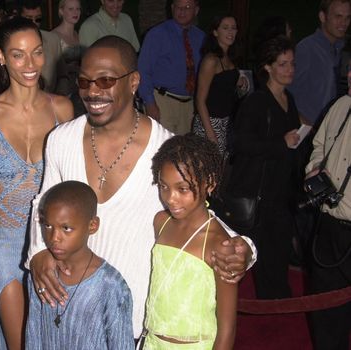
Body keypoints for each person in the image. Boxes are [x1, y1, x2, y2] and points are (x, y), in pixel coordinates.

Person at [27, 35, 256, 339]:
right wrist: (39, 252)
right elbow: (44, 202)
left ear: (133, 81)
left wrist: (244, 249)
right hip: (69, 306)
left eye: (105, 80)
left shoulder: (163, 149)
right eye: (84, 82)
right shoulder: (60, 140)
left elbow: (198, 215)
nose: (93, 91)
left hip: (131, 317)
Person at [0, 16, 73, 350]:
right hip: (1, 240)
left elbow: (70, 188)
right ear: (1, 57)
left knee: (49, 334)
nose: (30, 64)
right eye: (18, 54)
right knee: (16, 341)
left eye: (37, 53)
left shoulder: (63, 109)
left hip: (49, 238)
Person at [143, 134, 237, 349]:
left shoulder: (218, 243)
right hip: (153, 342)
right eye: (163, 186)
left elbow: (227, 326)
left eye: (182, 189)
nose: (170, 198)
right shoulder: (161, 222)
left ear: (210, 183)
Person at [226, 36, 302, 299]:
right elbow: (240, 142)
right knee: (256, 250)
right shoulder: (257, 101)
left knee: (278, 249)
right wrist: (280, 144)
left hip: (280, 189)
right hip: (258, 191)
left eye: (292, 63)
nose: (290, 69)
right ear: (268, 67)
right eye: (283, 64)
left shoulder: (288, 98)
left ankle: (277, 300)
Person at [26, 181, 134, 349]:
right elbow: (33, 337)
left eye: (66, 228)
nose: (54, 237)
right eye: (47, 225)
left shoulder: (110, 285)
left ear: (92, 226)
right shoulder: (42, 276)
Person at [304, 63, 351, 350]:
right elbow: (318, 144)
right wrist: (315, 168)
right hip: (328, 225)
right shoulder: (341, 105)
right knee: (324, 308)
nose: (350, 77)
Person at [138, 0, 204, 135]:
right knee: (163, 149)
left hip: (190, 105)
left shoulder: (201, 37)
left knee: (184, 150)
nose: (182, 11)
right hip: (163, 102)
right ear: (172, 8)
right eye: (178, 7)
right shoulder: (157, 34)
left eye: (187, 7)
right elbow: (143, 70)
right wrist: (149, 103)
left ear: (196, 10)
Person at [289, 0, 351, 126]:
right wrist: (304, 125)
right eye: (338, 16)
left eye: (348, 18)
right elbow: (285, 93)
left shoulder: (344, 48)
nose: (344, 23)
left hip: (336, 132)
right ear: (322, 17)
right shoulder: (306, 49)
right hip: (310, 134)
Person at [193, 14, 244, 157]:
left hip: (226, 121)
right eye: (225, 28)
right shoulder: (211, 60)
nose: (230, 32)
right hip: (210, 121)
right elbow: (200, 100)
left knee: (220, 170)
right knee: (206, 171)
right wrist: (210, 133)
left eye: (233, 28)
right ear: (215, 32)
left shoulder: (230, 58)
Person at [19, 0, 62, 92]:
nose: (34, 23)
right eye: (28, 19)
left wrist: (59, 96)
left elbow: (63, 75)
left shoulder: (53, 40)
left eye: (38, 19)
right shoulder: (5, 44)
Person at [52, 0, 85, 116]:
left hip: (80, 88)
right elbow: (52, 67)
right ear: (61, 11)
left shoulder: (77, 34)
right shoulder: (54, 36)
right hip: (63, 90)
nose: (75, 12)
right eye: (71, 9)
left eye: (78, 9)